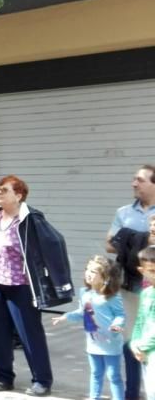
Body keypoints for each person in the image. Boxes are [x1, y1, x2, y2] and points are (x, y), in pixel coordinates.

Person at [0, 174, 68, 397]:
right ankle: (4, 377)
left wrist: (52, 278)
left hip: (20, 284)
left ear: (18, 195)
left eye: (4, 190)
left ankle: (42, 380)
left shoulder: (31, 219)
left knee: (29, 332)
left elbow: (55, 242)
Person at [108, 165, 155, 400]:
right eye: (134, 179)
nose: (134, 184)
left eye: (139, 180)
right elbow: (109, 244)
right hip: (131, 285)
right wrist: (136, 240)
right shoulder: (124, 212)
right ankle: (132, 393)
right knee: (132, 339)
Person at [52, 255, 125, 400]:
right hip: (93, 343)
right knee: (96, 373)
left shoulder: (112, 296)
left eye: (93, 271)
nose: (88, 273)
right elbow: (82, 313)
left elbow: (120, 315)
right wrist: (66, 316)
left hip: (111, 343)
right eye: (87, 270)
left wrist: (116, 325)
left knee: (113, 376)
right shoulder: (84, 293)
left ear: (105, 277)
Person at [130, 246, 155, 400]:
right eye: (151, 271)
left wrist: (142, 346)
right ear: (142, 271)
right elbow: (140, 321)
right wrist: (134, 344)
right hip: (145, 354)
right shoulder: (146, 294)